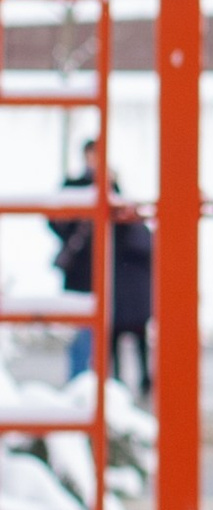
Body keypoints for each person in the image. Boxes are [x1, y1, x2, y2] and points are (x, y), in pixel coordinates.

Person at [49, 145, 153, 394]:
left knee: (101, 336)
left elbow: (125, 226)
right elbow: (55, 221)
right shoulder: (73, 185)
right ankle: (78, 385)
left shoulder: (111, 187)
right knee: (81, 334)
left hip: (106, 272)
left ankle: (98, 385)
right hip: (80, 272)